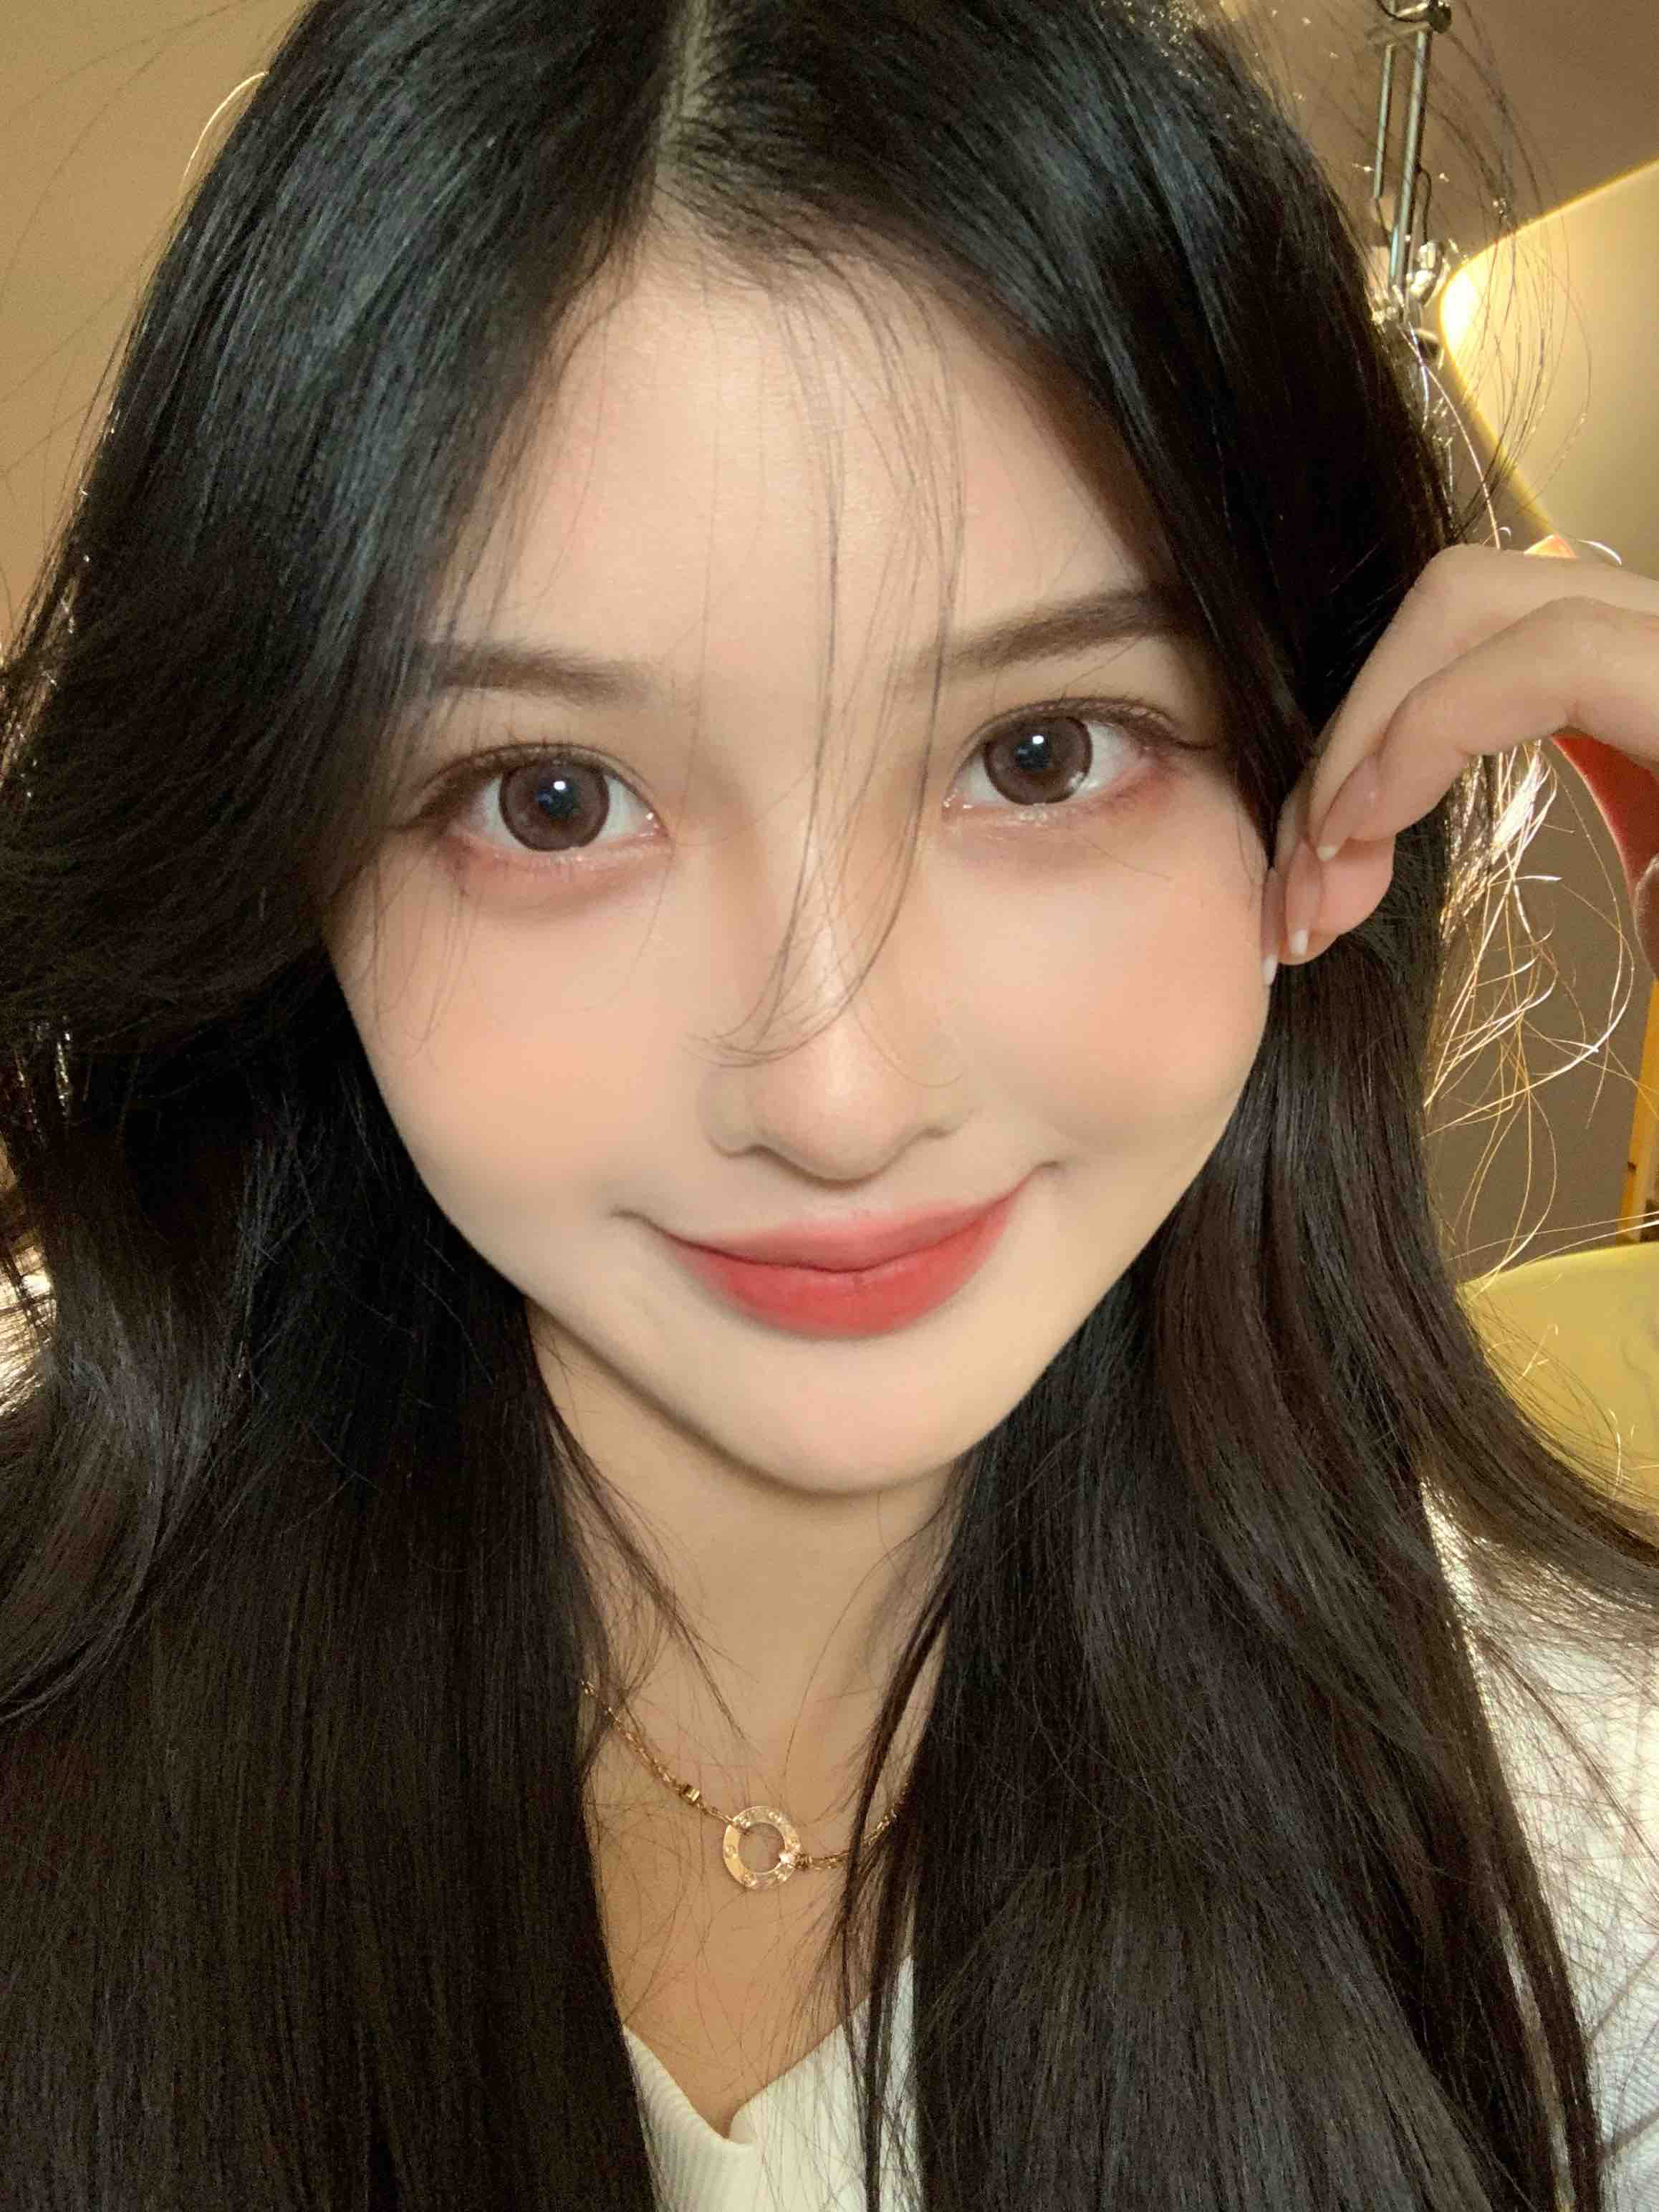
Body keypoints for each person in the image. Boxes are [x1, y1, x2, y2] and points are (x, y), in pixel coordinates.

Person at [1, 0, 1657, 2205]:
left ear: (1318, 779)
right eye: (550, 798)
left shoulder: (1582, 1841)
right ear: (285, 842)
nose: (837, 1095)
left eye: (1040, 756)